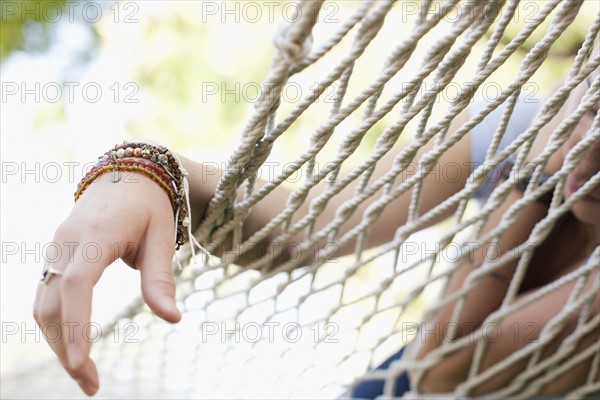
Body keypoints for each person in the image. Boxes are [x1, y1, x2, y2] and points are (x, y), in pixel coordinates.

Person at [33, 66, 599, 397]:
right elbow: (300, 231)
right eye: (591, 99)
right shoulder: (528, 131)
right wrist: (150, 174)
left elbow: (452, 375)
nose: (591, 146)